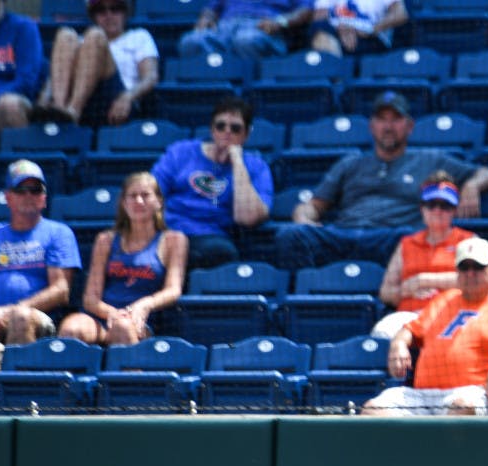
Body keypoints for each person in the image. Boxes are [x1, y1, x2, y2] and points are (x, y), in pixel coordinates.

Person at [274, 91, 488, 271]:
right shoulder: (351, 163)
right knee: (289, 235)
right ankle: (305, 298)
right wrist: (303, 217)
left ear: (409, 126)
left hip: (394, 237)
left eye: (396, 119)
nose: (388, 126)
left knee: (415, 240)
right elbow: (313, 205)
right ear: (372, 126)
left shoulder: (430, 159)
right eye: (382, 119)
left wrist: (471, 185)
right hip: (344, 234)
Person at [362, 237, 488, 416]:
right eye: (464, 268)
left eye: (478, 267)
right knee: (373, 409)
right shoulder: (444, 300)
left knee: (462, 407)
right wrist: (398, 344)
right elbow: (410, 329)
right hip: (422, 394)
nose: (470, 274)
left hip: (473, 390)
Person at [57, 172, 188, 346]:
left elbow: (173, 289)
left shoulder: (174, 240)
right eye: (132, 196)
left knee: (122, 328)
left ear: (159, 201)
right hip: (104, 315)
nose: (139, 201)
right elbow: (90, 299)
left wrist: (145, 305)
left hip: (142, 319)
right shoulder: (106, 240)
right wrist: (112, 313)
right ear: (124, 203)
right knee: (71, 328)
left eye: (145, 195)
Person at [151, 96, 273, 270]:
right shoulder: (181, 152)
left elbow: (247, 218)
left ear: (246, 134)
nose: (227, 132)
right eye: (220, 126)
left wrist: (237, 161)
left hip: (211, 238)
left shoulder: (256, 167)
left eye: (235, 128)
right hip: (170, 230)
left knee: (219, 251)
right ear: (211, 129)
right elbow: (151, 193)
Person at [371, 172, 475, 340]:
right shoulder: (407, 243)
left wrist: (423, 280)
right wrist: (406, 290)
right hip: (410, 315)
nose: (437, 211)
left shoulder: (468, 240)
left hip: (453, 313)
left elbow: (476, 281)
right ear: (422, 209)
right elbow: (386, 292)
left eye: (445, 206)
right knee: (382, 332)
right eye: (431, 205)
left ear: (454, 210)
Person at [0, 160, 81, 345]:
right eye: (21, 190)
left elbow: (61, 290)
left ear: (44, 198)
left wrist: (10, 311)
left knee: (20, 316)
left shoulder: (58, 233)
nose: (28, 195)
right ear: (8, 197)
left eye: (35, 190)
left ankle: (20, 365)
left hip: (36, 317)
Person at [32, 0, 159, 127]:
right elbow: (55, 76)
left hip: (116, 99)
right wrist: (44, 99)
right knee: (65, 34)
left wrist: (127, 97)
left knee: (95, 36)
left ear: (125, 13)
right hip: (82, 98)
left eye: (116, 8)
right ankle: (59, 109)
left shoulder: (139, 36)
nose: (108, 15)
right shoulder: (80, 41)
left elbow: (151, 77)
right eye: (101, 10)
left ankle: (74, 111)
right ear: (93, 16)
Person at [178, 0, 314, 60]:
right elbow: (211, 8)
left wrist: (280, 22)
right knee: (191, 41)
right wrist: (206, 18)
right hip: (225, 26)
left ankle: (249, 92)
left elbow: (305, 11)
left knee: (245, 40)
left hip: (263, 26)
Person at [0, 0, 45, 129]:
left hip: (10, 104)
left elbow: (26, 81)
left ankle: (20, 142)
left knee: (10, 104)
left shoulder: (23, 28)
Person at [310, 0, 408, 56]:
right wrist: (342, 27)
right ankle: (336, 80)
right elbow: (318, 16)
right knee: (319, 32)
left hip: (369, 37)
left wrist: (371, 29)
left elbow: (401, 14)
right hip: (337, 33)